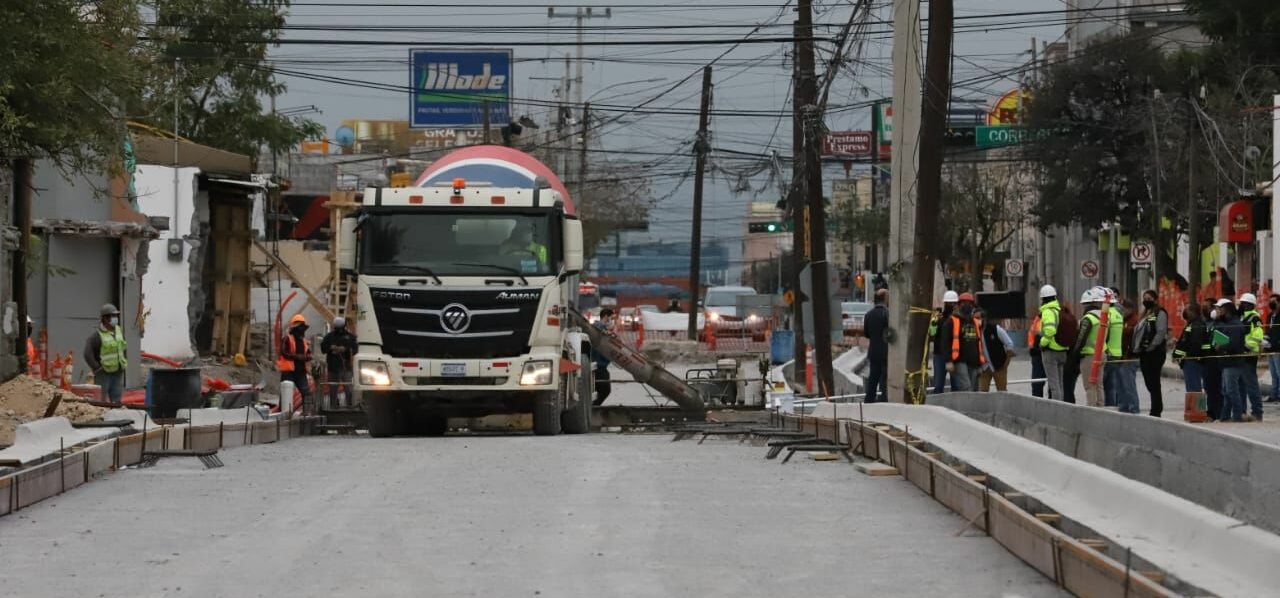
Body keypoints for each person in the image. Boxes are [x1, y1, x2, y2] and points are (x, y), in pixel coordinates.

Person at [1133, 290, 1168, 417]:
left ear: (1155, 299)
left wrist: (1152, 346)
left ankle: (1156, 409)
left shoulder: (1160, 313)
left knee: (1154, 381)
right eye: (1144, 298)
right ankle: (1156, 407)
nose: (1146, 300)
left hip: (1155, 352)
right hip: (1144, 352)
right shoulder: (1144, 314)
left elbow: (1161, 331)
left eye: (1149, 298)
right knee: (1148, 381)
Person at [939, 292, 984, 391]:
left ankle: (969, 406)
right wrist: (948, 361)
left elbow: (979, 344)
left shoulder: (976, 322)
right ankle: (967, 406)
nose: (967, 306)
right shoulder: (951, 321)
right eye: (964, 303)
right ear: (959, 305)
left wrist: (981, 364)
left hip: (974, 362)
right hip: (959, 360)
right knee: (966, 387)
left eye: (970, 303)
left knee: (973, 389)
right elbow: (945, 342)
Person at [83, 304, 127, 403]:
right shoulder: (97, 335)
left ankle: (116, 416)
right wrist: (97, 367)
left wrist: (123, 362)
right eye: (113, 316)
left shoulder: (118, 331)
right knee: (101, 400)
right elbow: (87, 353)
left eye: (116, 316)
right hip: (104, 373)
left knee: (116, 400)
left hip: (117, 371)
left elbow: (123, 348)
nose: (116, 318)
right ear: (106, 318)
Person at [1215, 300, 1250, 422]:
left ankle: (1237, 415)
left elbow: (1234, 344)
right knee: (1226, 391)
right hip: (1227, 362)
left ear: (1227, 310)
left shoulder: (1234, 325)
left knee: (1231, 390)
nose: (1219, 312)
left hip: (1233, 362)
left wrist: (1221, 346)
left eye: (1221, 309)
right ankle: (1225, 416)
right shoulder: (1228, 323)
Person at [1072, 288, 1106, 407]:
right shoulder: (1104, 317)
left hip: (1089, 356)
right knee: (1099, 384)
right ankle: (1101, 406)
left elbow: (1081, 339)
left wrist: (1074, 356)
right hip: (1102, 353)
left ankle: (1091, 409)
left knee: (1090, 385)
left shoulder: (1088, 318)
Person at [1038, 285, 1072, 402]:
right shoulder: (1059, 310)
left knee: (1053, 384)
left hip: (1051, 351)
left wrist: (1042, 343)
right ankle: (1061, 405)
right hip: (1063, 350)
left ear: (1042, 299)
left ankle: (1057, 409)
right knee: (1060, 383)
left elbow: (1050, 330)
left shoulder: (1047, 311)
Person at [320, 317, 358, 409]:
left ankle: (349, 406)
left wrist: (344, 349)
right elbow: (323, 349)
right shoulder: (329, 337)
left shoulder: (350, 337)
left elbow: (355, 350)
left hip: (346, 367)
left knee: (348, 388)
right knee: (333, 389)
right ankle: (333, 407)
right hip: (333, 367)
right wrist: (331, 348)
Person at [1238, 293, 1265, 421]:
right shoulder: (1242, 318)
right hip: (1240, 354)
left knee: (1251, 384)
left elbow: (1258, 335)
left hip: (1249, 354)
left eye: (1243, 303)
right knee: (1241, 384)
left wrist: (1247, 346)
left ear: (1250, 305)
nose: (1241, 305)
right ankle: (1242, 411)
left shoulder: (1254, 318)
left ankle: (1257, 412)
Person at [1172, 304, 1210, 396]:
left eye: (1187, 310)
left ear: (1193, 312)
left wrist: (1187, 355)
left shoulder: (1197, 325)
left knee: (1194, 389)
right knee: (1193, 389)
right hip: (1190, 360)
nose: (1185, 312)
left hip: (1192, 361)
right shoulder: (1192, 324)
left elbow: (1195, 344)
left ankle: (1197, 409)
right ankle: (1195, 409)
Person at [277, 314, 313, 411]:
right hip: (289, 371)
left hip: (301, 371)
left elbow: (309, 354)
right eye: (300, 327)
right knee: (285, 393)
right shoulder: (287, 338)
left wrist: (306, 357)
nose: (302, 330)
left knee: (306, 392)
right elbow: (284, 352)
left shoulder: (304, 341)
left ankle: (307, 413)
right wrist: (297, 357)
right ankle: (282, 411)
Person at [1113, 298, 1141, 414]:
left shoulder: (1134, 320)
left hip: (1129, 357)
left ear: (1130, 309)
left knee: (1129, 385)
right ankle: (1123, 406)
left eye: (1124, 309)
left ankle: (1133, 407)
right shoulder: (1123, 320)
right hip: (1121, 356)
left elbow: (1132, 333)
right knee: (1120, 385)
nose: (1122, 311)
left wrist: (1121, 330)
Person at [929, 290, 959, 394]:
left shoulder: (958, 319)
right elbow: (932, 334)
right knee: (938, 385)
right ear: (945, 304)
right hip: (939, 355)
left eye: (954, 303)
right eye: (949, 303)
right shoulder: (938, 318)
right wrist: (934, 322)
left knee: (956, 386)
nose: (952, 305)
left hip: (954, 355)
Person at [863, 289, 889, 403]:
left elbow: (866, 333)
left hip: (873, 352)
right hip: (886, 352)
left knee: (872, 380)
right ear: (884, 299)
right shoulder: (887, 314)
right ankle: (883, 401)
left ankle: (868, 402)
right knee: (885, 382)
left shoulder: (868, 315)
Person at [978, 309, 1014, 392]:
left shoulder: (996, 329)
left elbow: (1009, 344)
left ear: (984, 319)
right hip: (984, 368)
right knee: (982, 393)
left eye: (978, 318)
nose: (977, 320)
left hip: (999, 366)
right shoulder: (974, 331)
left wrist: (1006, 364)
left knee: (1002, 392)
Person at [1102, 290, 1125, 408]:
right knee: (1113, 384)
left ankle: (1108, 407)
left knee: (1104, 384)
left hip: (1109, 352)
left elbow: (1104, 335)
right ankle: (1114, 406)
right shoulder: (1118, 314)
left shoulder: (1107, 315)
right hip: (1117, 352)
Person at [591, 308, 616, 406]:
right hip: (599, 366)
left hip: (598, 365)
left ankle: (593, 408)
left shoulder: (599, 328)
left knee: (598, 391)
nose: (612, 321)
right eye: (611, 318)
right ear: (606, 316)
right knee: (605, 390)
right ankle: (593, 409)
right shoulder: (599, 327)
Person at [1028, 313, 1045, 397]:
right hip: (1036, 354)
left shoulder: (1039, 320)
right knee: (1037, 384)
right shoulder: (1037, 320)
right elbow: (1032, 335)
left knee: (1052, 385)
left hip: (1045, 353)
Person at [1268, 294, 1280, 403]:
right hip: (1270, 348)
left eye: (1274, 301)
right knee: (1273, 373)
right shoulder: (1270, 316)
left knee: (1279, 372)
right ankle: (1273, 394)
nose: (1271, 303)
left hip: (1278, 348)